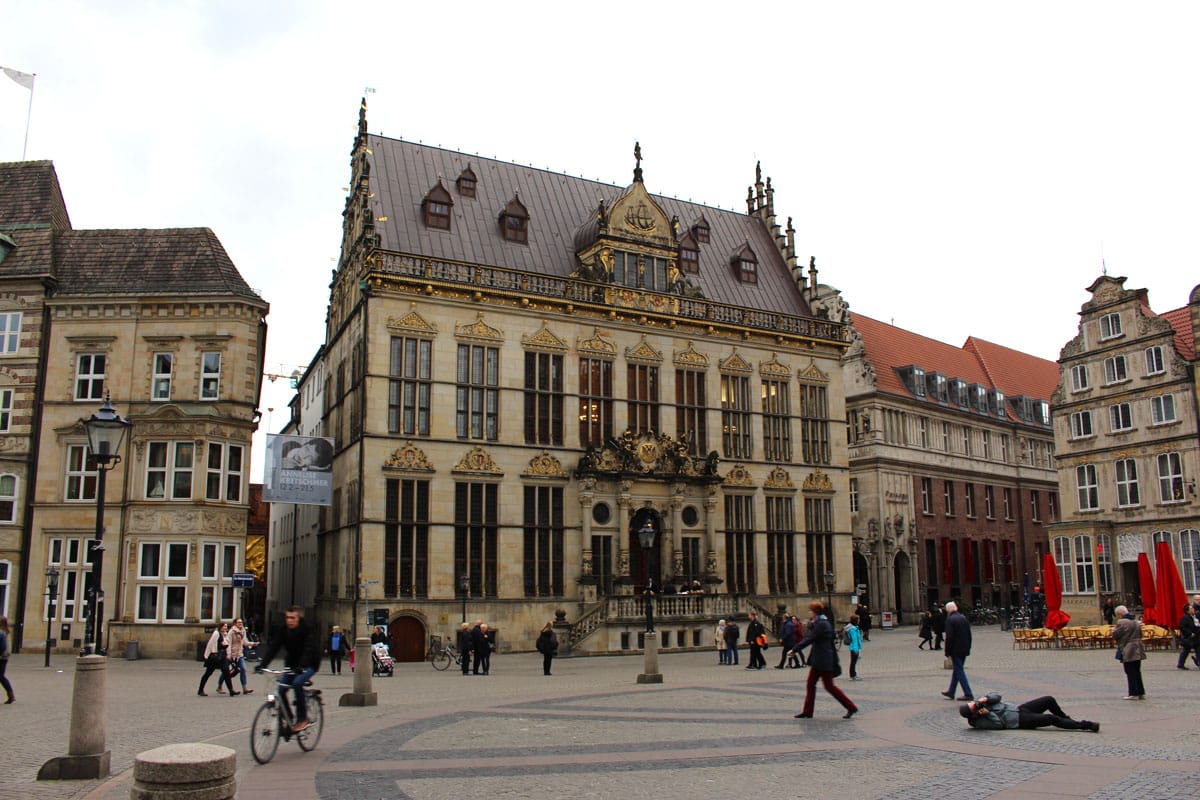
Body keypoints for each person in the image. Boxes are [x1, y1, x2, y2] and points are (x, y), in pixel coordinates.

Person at [257, 606, 322, 731]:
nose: (289, 620)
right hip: (292, 664)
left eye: (292, 618)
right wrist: (263, 664)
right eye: (287, 617)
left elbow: (308, 649)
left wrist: (301, 666)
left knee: (297, 683)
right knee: (281, 691)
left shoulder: (307, 629)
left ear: (299, 618)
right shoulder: (284, 630)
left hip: (309, 664)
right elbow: (274, 647)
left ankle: (302, 719)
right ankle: (290, 720)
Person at [790, 601, 857, 719]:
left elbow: (810, 638)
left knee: (829, 687)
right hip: (819, 660)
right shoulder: (820, 622)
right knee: (811, 685)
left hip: (824, 660)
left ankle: (851, 707)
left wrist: (794, 649)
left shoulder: (821, 624)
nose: (809, 612)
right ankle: (807, 711)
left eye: (810, 610)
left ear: (815, 612)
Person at [960, 694, 1099, 732]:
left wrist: (986, 699)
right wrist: (988, 714)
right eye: (974, 707)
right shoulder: (979, 721)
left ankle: (1067, 721)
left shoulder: (983, 703)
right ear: (972, 714)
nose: (976, 705)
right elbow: (999, 725)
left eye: (974, 703)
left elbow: (998, 696)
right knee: (1050, 719)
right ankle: (1085, 725)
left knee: (1048, 699)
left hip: (1020, 709)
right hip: (1020, 720)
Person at [940, 600, 974, 701]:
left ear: (948, 611)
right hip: (964, 648)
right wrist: (968, 647)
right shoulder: (963, 618)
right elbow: (969, 635)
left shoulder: (950, 620)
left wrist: (947, 651)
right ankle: (951, 691)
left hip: (956, 649)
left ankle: (968, 693)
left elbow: (949, 637)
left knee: (959, 670)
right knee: (957, 670)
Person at [1113, 604, 1146, 699]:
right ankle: (1140, 692)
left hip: (1128, 649)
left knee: (1129, 671)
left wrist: (1113, 631)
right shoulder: (1135, 622)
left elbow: (1116, 635)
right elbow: (1141, 634)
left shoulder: (1121, 622)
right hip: (1138, 648)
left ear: (1120, 614)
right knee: (1137, 671)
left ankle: (1133, 693)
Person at [198, 622, 238, 697]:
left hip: (222, 657)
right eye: (224, 626)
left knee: (226, 673)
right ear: (221, 627)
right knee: (208, 673)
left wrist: (227, 652)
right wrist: (207, 655)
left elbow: (227, 645)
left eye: (226, 626)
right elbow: (212, 644)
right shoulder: (216, 633)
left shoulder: (224, 634)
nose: (226, 627)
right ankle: (200, 689)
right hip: (215, 657)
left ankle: (231, 690)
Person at [227, 618, 255, 695]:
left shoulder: (243, 631)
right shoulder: (231, 632)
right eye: (239, 622)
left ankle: (244, 688)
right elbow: (228, 643)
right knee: (226, 672)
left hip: (240, 654)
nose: (241, 623)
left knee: (243, 669)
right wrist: (229, 654)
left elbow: (244, 642)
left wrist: (253, 644)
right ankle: (219, 686)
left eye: (241, 622)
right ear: (235, 623)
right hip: (232, 654)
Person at [1178, 603, 1200, 670]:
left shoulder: (1194, 616)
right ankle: (1180, 664)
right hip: (1188, 638)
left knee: (1198, 650)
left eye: (1193, 608)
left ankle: (1198, 662)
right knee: (1185, 651)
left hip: (1196, 638)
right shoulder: (1185, 618)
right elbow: (1182, 627)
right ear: (1187, 611)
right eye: (1191, 609)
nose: (1193, 609)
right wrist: (1190, 633)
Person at [845, 614, 863, 680]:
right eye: (858, 619)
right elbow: (854, 640)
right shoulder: (853, 629)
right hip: (854, 648)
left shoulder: (854, 628)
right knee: (853, 662)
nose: (859, 621)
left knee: (853, 662)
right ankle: (853, 675)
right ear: (855, 620)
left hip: (853, 647)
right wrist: (856, 650)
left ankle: (853, 674)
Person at [0, 616, 13, 704]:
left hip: (1, 657)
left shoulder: (1, 633)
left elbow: (2, 647)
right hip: (4, 656)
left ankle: (11, 695)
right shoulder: (6, 631)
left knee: (1, 676)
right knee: (1, 676)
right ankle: (11, 695)